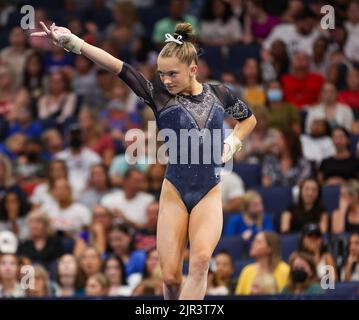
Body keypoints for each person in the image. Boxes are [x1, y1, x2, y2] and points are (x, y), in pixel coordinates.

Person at [31, 19, 256, 300]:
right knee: (172, 279)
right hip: (174, 191)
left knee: (199, 262)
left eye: (172, 74)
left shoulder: (219, 94)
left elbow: (248, 119)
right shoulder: (158, 96)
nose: (166, 80)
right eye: (162, 74)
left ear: (193, 70)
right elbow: (117, 66)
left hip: (209, 192)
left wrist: (233, 142)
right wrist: (74, 42)